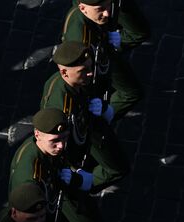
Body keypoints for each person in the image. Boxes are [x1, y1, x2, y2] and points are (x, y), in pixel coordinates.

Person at [9, 108, 110, 222]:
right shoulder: (29, 176)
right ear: (37, 134)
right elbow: (28, 218)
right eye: (55, 141)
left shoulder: (45, 148)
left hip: (56, 196)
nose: (61, 146)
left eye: (64, 139)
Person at [41, 41, 130, 192]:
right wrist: (78, 178)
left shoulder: (74, 81)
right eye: (83, 70)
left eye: (90, 67)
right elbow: (55, 146)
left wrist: (101, 107)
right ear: (64, 72)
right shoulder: (60, 107)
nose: (90, 73)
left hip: (86, 134)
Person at [61, 0, 148, 118]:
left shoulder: (92, 14)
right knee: (130, 93)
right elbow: (82, 76)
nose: (107, 13)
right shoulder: (79, 37)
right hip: (99, 59)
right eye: (100, 9)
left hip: (101, 51)